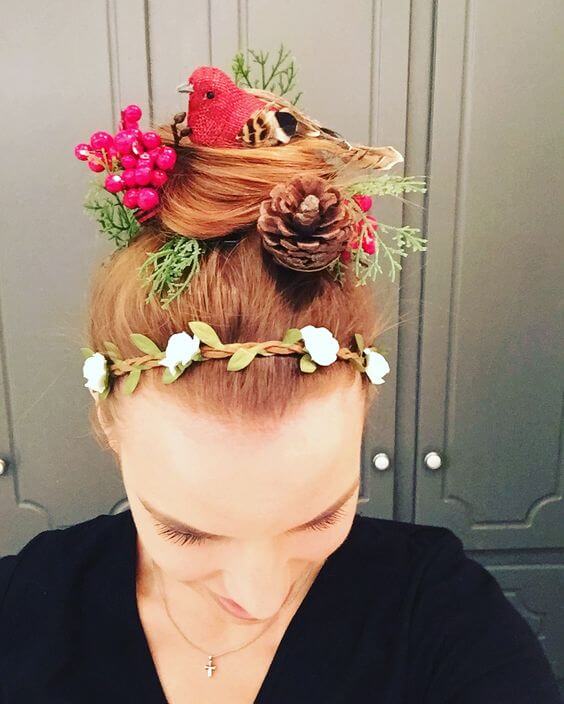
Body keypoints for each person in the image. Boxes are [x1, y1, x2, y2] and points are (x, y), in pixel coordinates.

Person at [0, 71, 561, 703]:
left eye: (319, 519)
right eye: (186, 533)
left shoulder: (444, 618)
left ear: (364, 409)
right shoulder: (23, 610)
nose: (258, 597)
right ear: (108, 423)